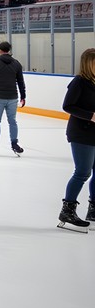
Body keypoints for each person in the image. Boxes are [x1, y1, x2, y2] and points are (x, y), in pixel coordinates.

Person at [59, 47, 95, 233]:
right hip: (81, 133)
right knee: (82, 172)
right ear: (89, 64)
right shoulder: (79, 82)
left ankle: (93, 209)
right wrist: (90, 116)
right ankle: (67, 211)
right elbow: (68, 105)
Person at [0, 41, 26, 155]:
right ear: (9, 50)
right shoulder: (16, 63)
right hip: (13, 97)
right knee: (12, 121)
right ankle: (14, 143)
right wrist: (23, 96)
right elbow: (21, 82)